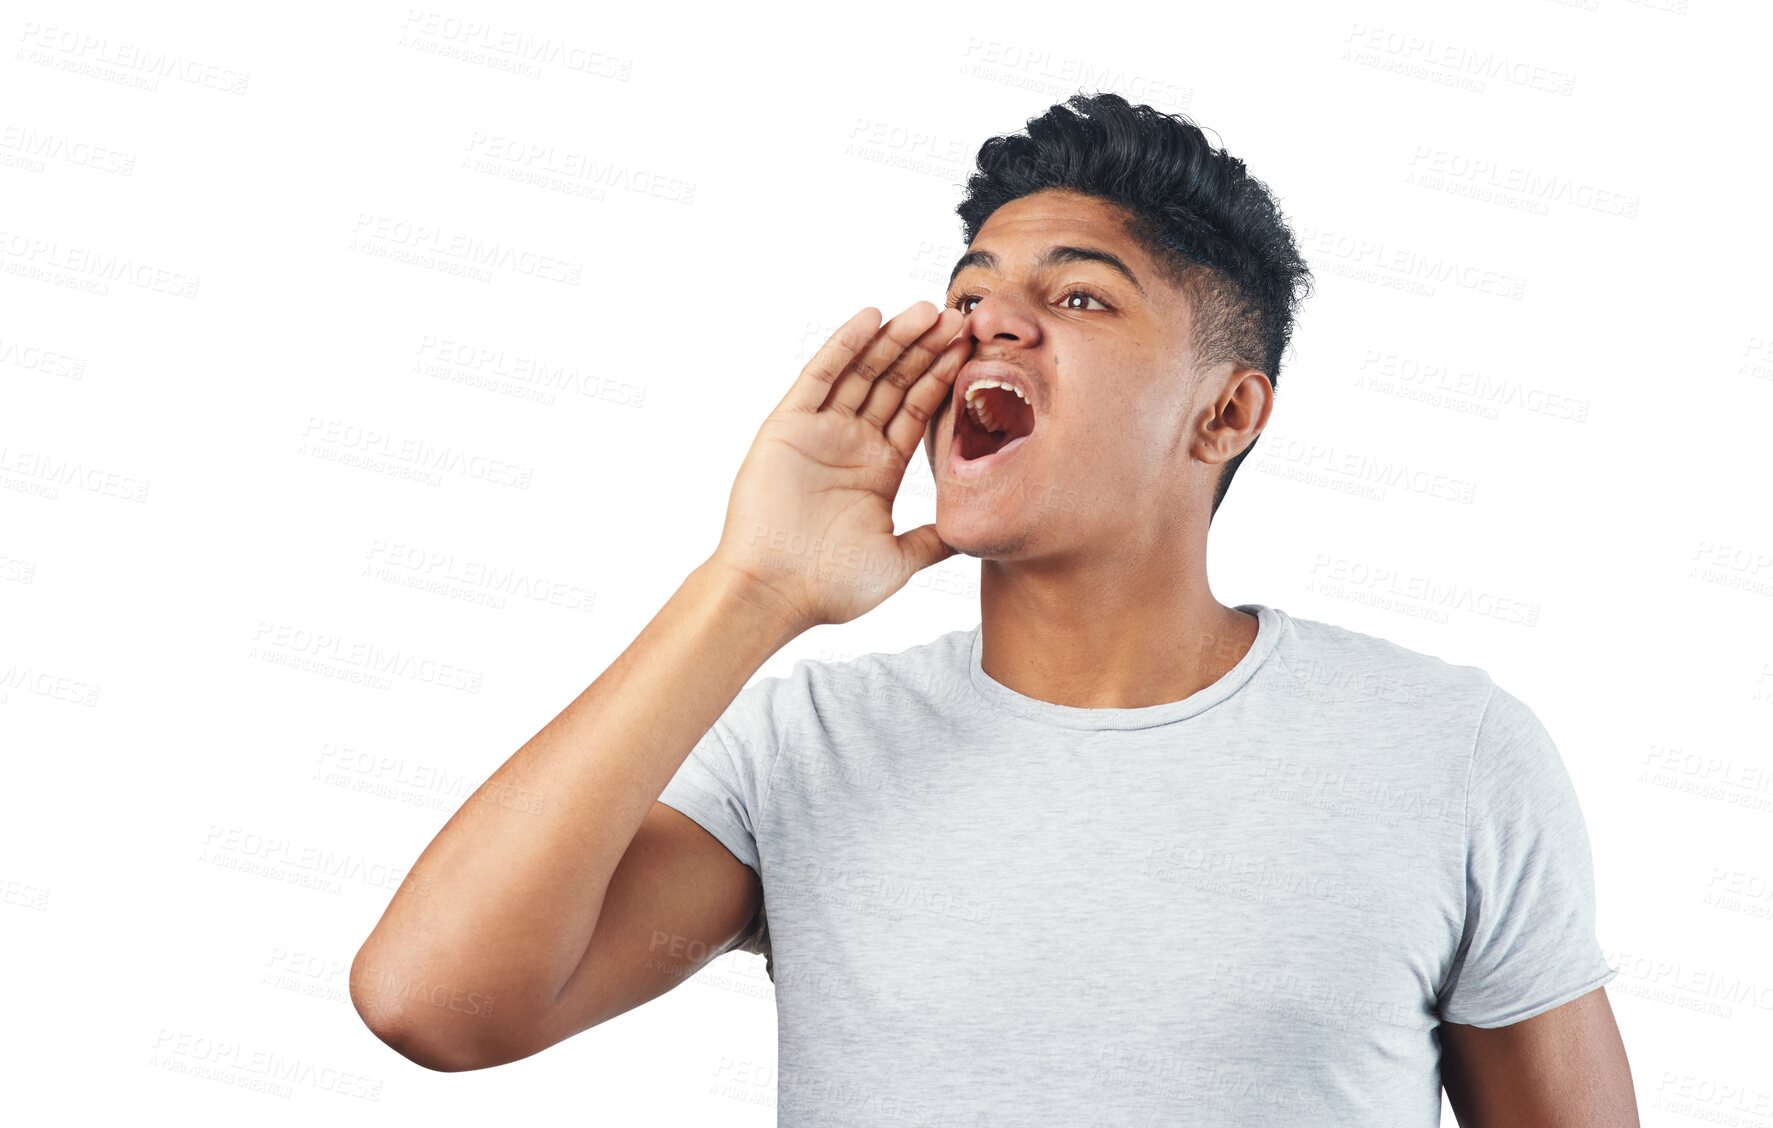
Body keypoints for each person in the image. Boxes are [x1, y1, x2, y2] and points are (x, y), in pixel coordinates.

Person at [350, 92, 1639, 1125]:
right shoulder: (803, 754)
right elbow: (435, 1004)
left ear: (1229, 411)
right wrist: (751, 588)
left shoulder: (1446, 748)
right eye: (969, 296)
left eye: (1078, 296)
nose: (987, 328)